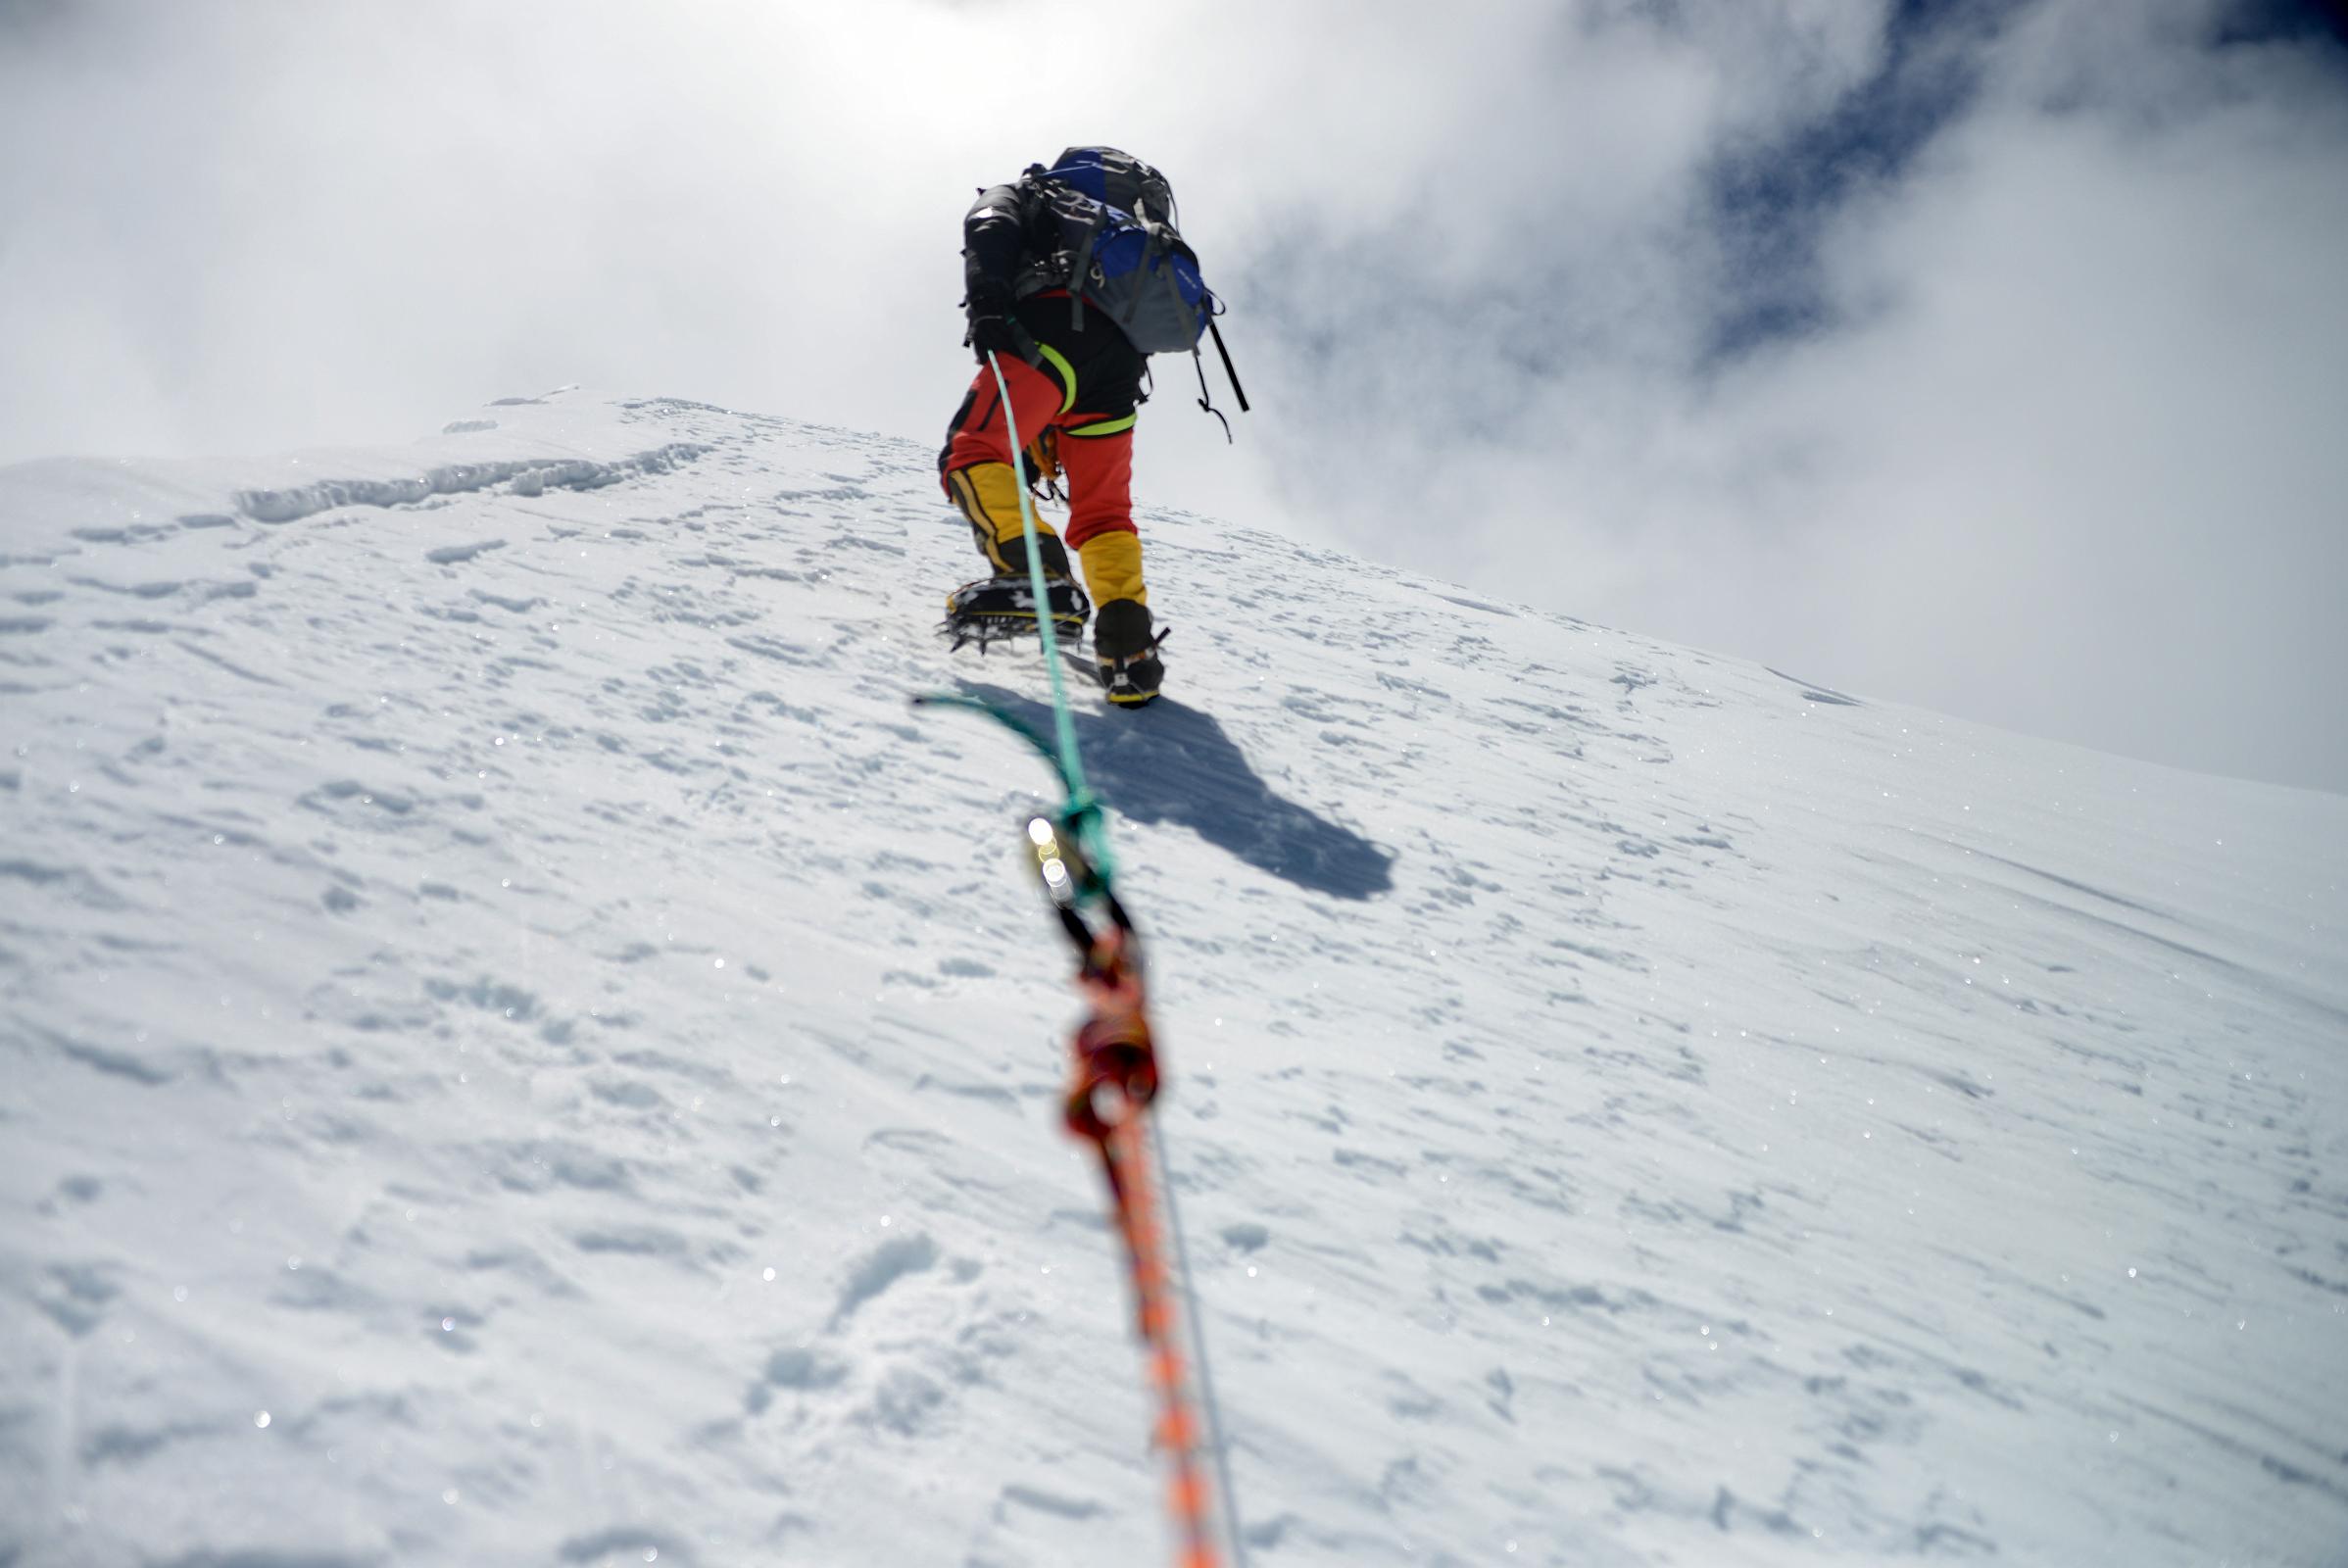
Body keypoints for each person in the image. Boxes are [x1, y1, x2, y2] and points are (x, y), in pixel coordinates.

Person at [937, 147, 1174, 708]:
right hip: (1117, 371)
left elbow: (987, 223)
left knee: (970, 451)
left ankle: (1037, 576)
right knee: (1103, 513)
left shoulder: (1033, 194)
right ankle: (1128, 653)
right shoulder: (1120, 237)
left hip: (1051, 335)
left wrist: (989, 303)